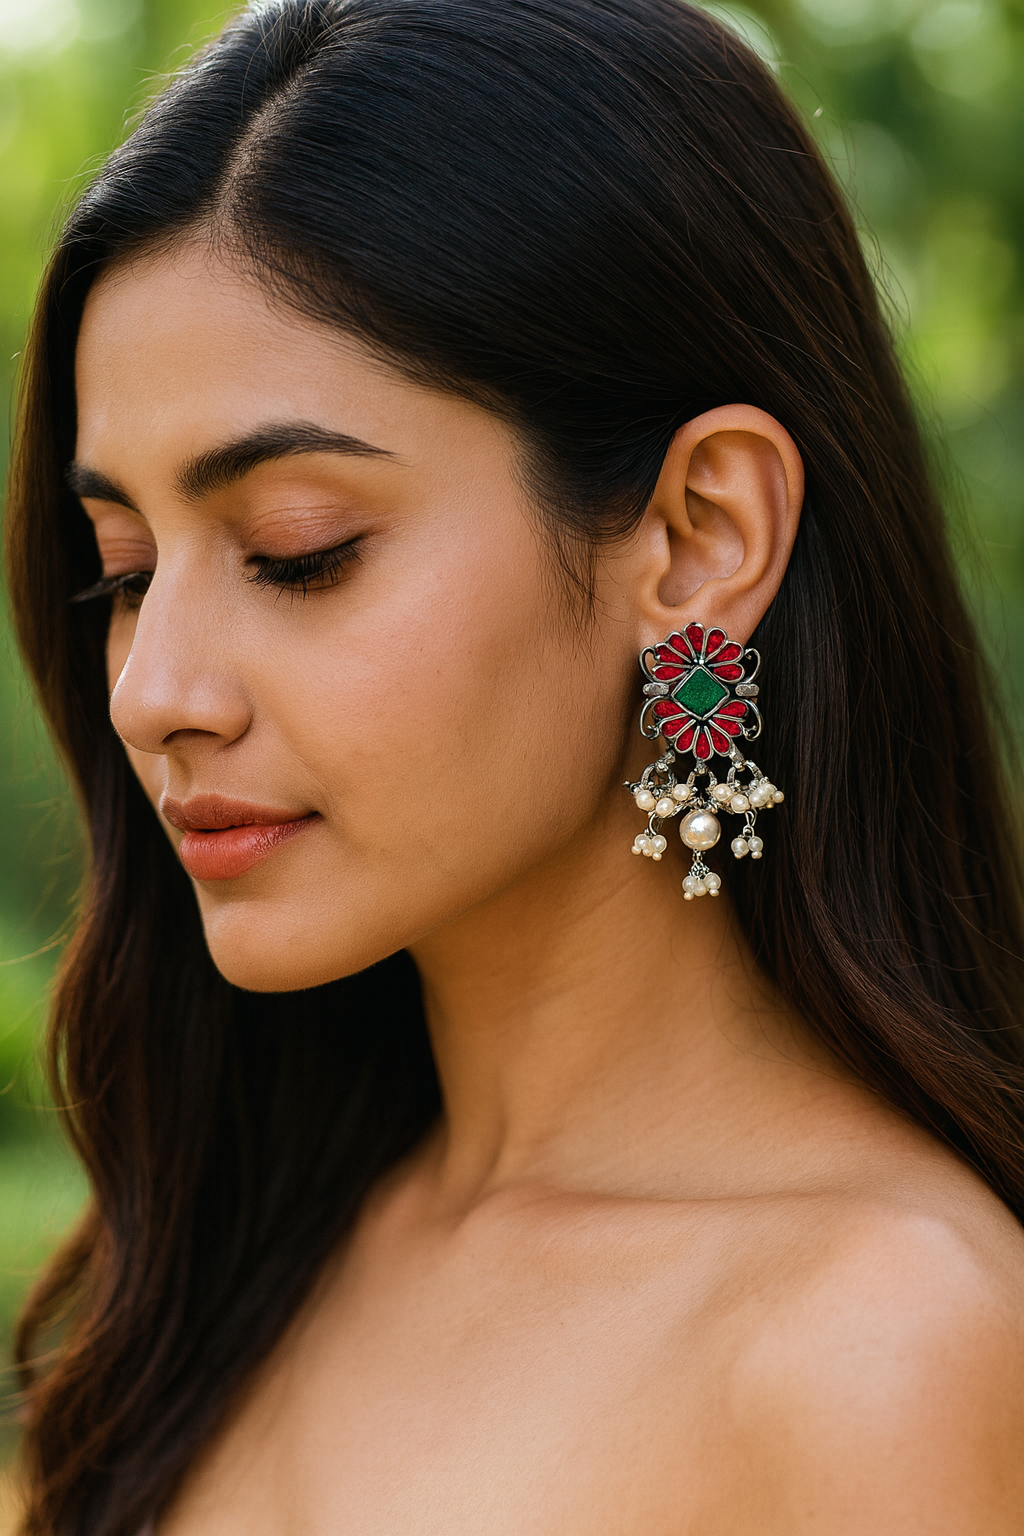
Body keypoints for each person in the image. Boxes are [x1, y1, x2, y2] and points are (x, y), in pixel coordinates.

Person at [6, 0, 1024, 1530]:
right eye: (125, 571)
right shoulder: (230, 1256)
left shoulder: (884, 1343)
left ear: (698, 536)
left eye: (300, 551)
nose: (155, 692)